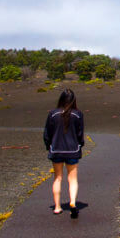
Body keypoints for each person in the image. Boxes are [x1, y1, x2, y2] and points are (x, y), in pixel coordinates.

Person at [43, 89, 84, 218]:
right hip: (72, 150)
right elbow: (80, 134)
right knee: (72, 179)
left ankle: (57, 207)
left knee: (57, 178)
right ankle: (72, 202)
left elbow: (47, 134)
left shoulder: (53, 114)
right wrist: (80, 145)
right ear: (73, 100)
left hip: (56, 150)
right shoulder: (78, 114)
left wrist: (49, 146)